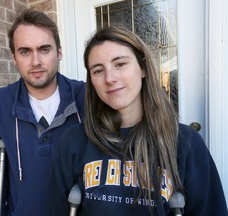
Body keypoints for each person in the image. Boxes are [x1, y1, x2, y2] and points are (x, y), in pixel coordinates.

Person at [48, 27, 228, 215]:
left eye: (120, 64)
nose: (110, 78)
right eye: (98, 70)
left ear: (142, 68)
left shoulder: (185, 143)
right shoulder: (74, 142)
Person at [0, 8, 85, 216]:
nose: (35, 61)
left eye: (44, 49)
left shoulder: (87, 97)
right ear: (14, 57)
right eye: (25, 51)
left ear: (59, 52)